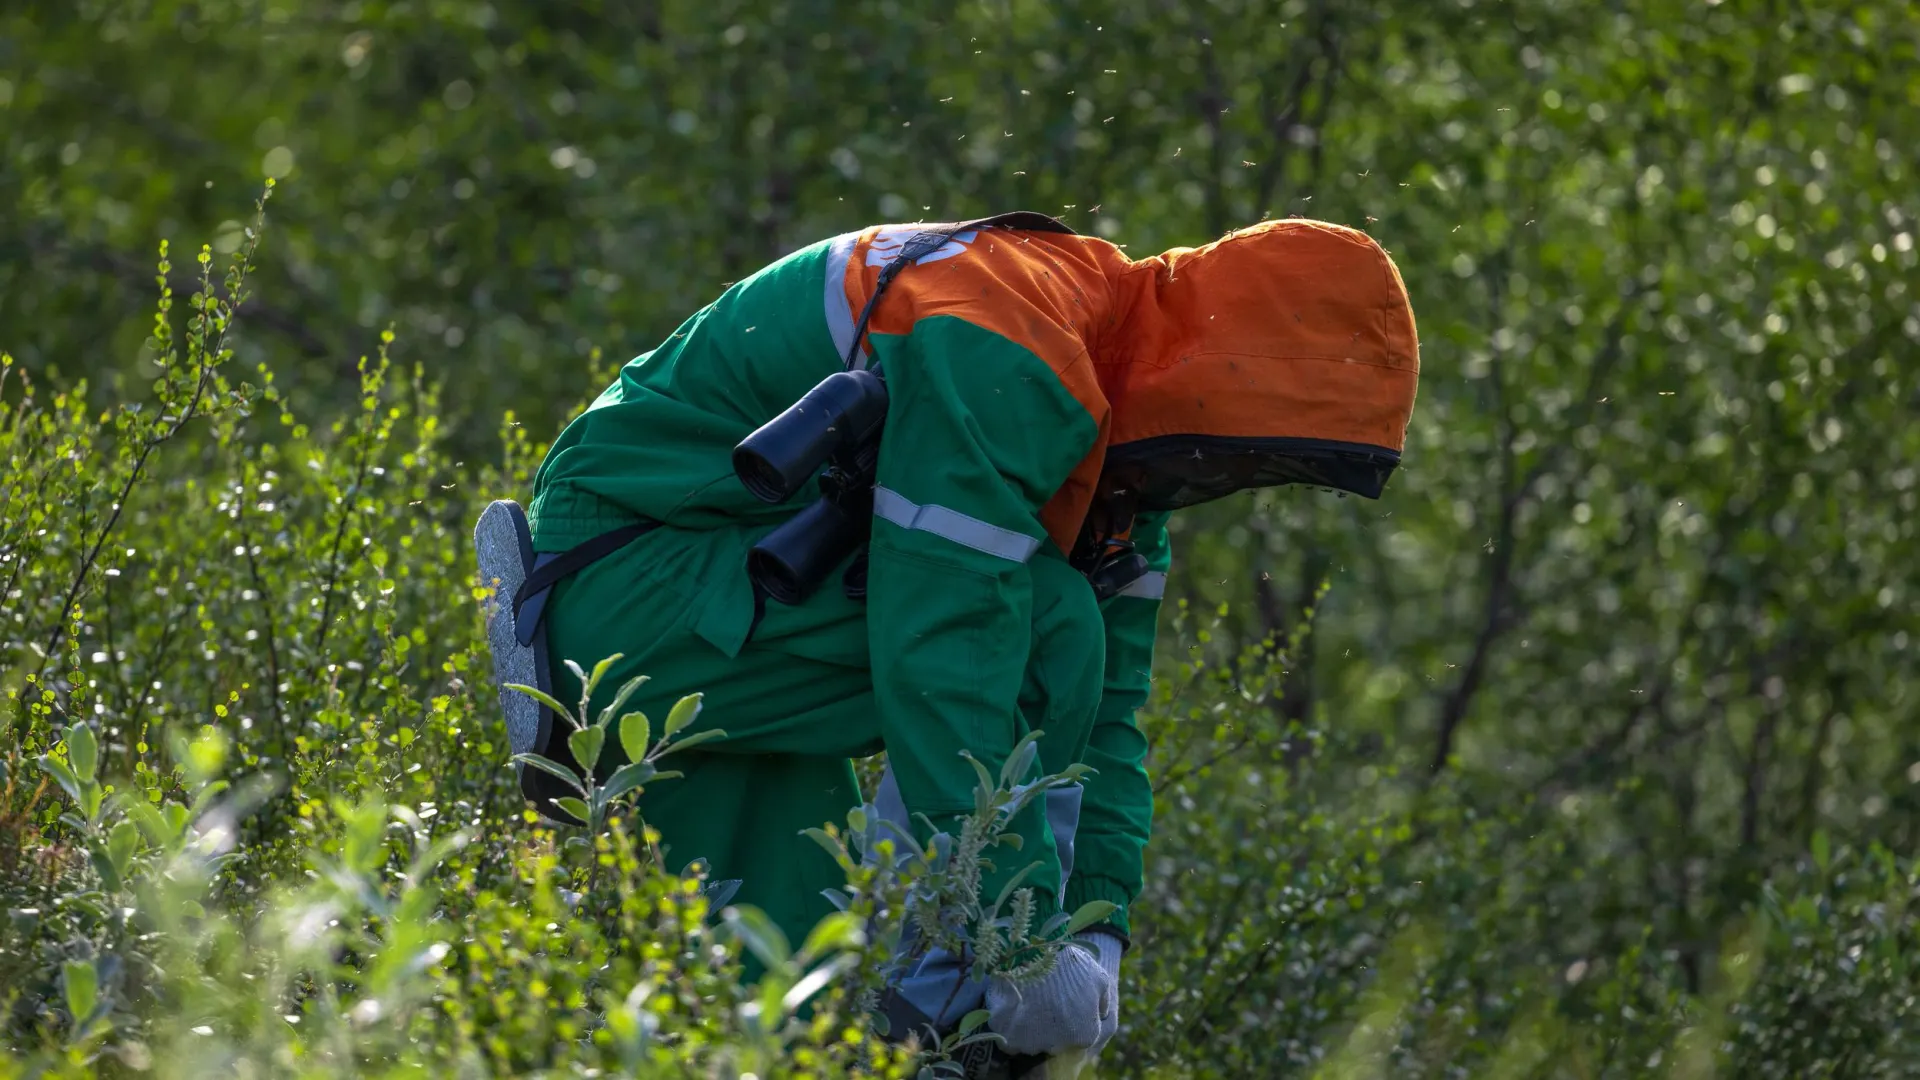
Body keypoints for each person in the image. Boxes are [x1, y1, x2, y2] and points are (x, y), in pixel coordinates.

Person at [502, 211, 1418, 1061]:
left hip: (742, 646)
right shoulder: (1011, 338)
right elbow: (950, 642)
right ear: (1212, 372)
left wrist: (1098, 934)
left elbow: (1109, 721)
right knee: (1044, 617)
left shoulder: (1121, 469)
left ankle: (931, 1010)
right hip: (629, 579)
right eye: (1245, 451)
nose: (1228, 477)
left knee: (761, 1007)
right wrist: (1016, 946)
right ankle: (950, 1004)